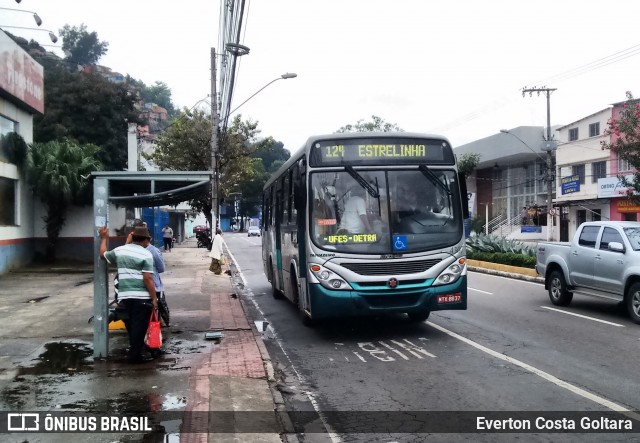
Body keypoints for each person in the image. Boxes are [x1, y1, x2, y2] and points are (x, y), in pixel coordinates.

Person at [99, 225, 157, 363]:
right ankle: (134, 356)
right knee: (139, 326)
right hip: (142, 297)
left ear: (133, 237)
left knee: (131, 325)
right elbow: (147, 278)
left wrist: (103, 238)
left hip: (125, 296)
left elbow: (103, 255)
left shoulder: (120, 250)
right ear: (145, 240)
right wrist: (154, 298)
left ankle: (135, 352)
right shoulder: (146, 254)